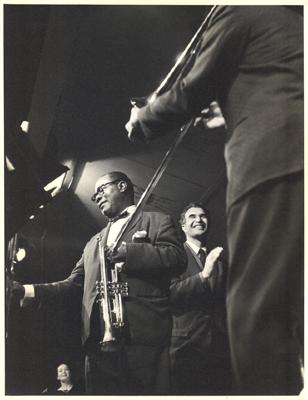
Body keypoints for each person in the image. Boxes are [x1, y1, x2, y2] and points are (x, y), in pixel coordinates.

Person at [125, 6, 303, 395]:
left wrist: (143, 119)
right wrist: (231, 107)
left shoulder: (238, 7)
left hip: (273, 163)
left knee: (257, 314)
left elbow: (193, 86)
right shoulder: (293, 19)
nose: (200, 221)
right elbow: (275, 83)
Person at [12, 171, 187, 395]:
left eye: (102, 190)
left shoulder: (156, 220)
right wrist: (25, 290)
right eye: (95, 196)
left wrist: (129, 252)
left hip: (143, 337)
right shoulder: (92, 243)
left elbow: (176, 257)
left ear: (122, 186)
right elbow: (72, 284)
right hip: (98, 340)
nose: (97, 198)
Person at [170, 202, 230, 394]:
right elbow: (169, 295)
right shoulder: (173, 257)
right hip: (187, 348)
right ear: (183, 226)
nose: (198, 220)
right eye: (192, 216)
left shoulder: (220, 262)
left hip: (219, 348)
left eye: (203, 216)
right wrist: (203, 276)